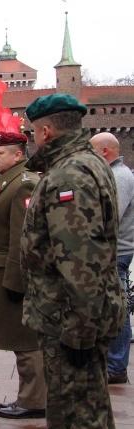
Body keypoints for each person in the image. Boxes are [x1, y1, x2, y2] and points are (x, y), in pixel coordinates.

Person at [21, 94, 125, 429]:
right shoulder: (89, 161)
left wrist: (79, 332)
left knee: (76, 414)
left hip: (70, 318)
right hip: (79, 315)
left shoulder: (68, 175)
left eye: (33, 132)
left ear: (46, 131)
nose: (33, 138)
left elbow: (80, 261)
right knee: (90, 405)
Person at [0, 131, 45, 419]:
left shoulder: (24, 185)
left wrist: (16, 281)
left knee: (25, 339)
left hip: (12, 275)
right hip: (2, 272)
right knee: (19, 338)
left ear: (18, 155)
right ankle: (29, 396)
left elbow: (23, 238)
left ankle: (34, 400)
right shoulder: (13, 180)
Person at [90, 132, 134, 385]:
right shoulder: (117, 174)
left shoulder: (118, 177)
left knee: (117, 309)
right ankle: (113, 363)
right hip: (115, 250)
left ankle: (116, 367)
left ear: (104, 152)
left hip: (116, 252)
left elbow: (110, 217)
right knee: (114, 307)